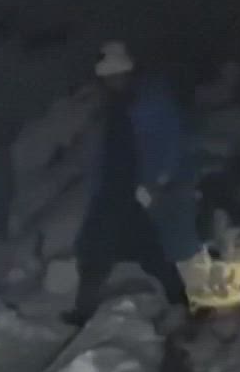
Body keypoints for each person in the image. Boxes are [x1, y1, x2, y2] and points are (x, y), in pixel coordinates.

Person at [62, 42, 202, 328]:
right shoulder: (117, 104)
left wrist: (155, 182)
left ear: (128, 73)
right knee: (97, 251)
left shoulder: (150, 101)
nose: (111, 82)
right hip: (114, 191)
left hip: (135, 192)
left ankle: (183, 304)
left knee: (150, 252)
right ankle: (84, 310)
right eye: (107, 78)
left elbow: (171, 142)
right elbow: (110, 151)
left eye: (116, 76)